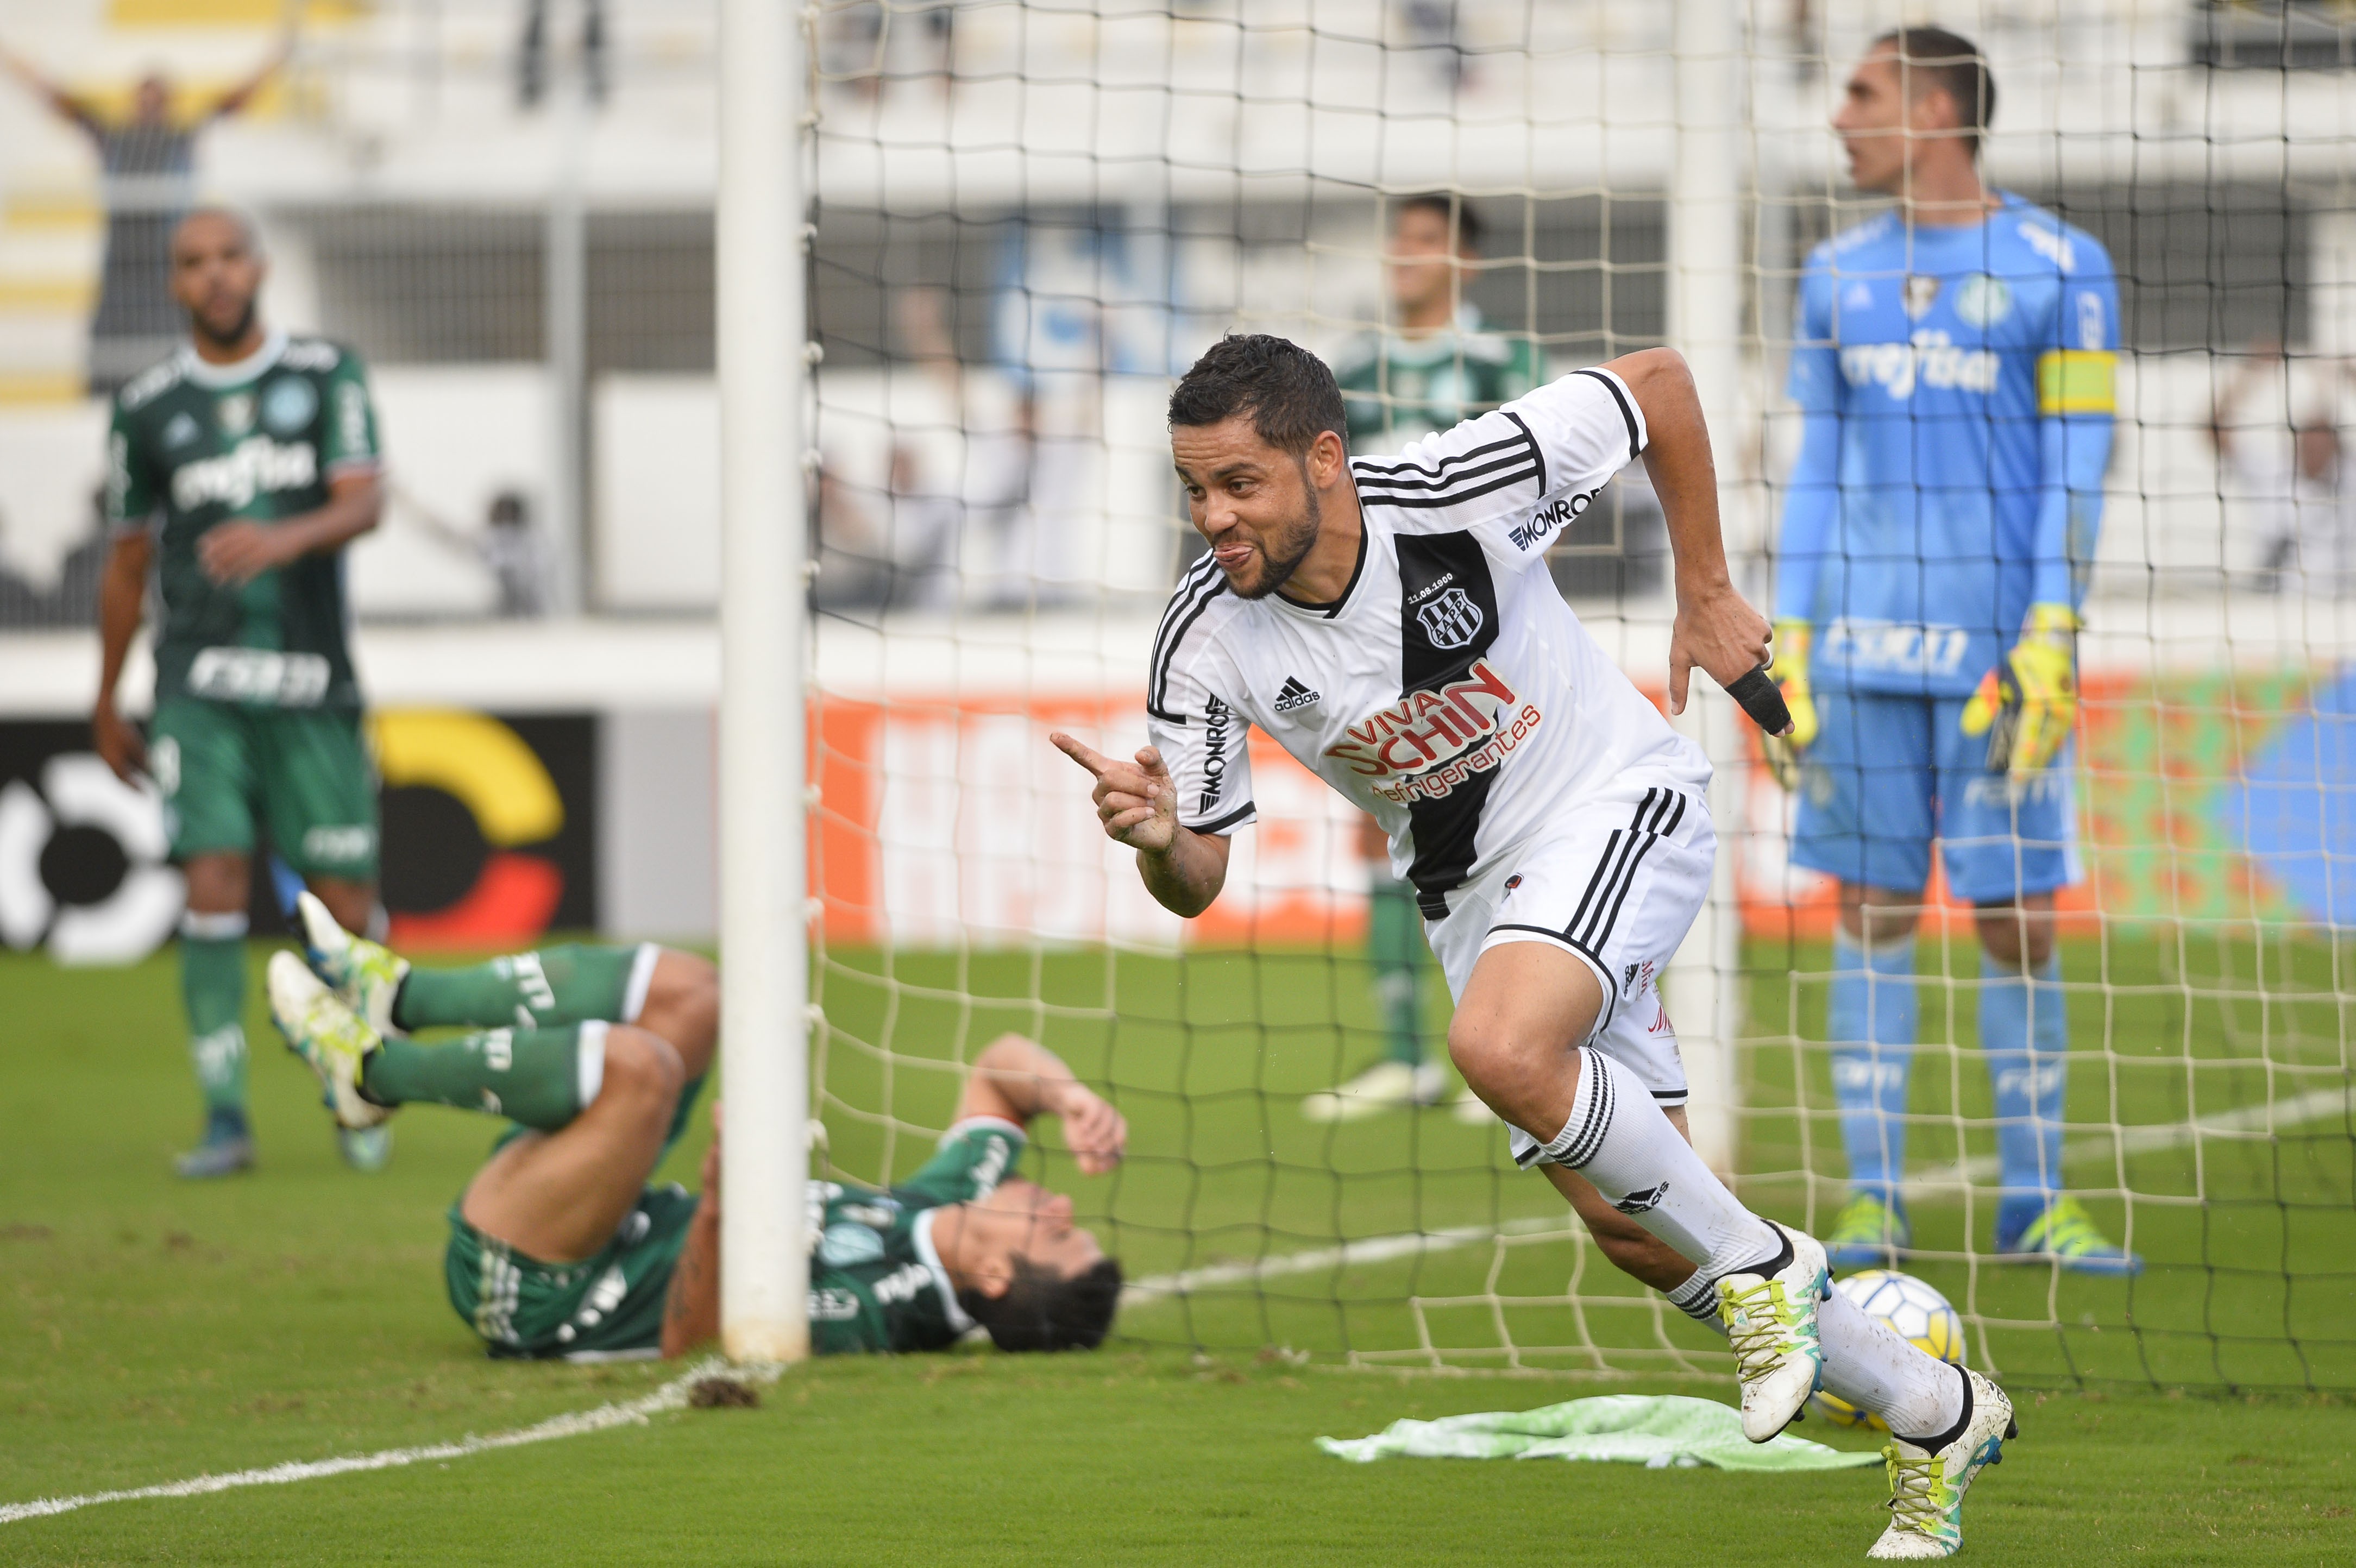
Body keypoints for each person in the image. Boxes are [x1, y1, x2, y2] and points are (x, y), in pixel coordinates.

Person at [1052, 333, 2015, 1558]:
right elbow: (1196, 884)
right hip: (1477, 905)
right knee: (1636, 1228)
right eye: (1192, 490)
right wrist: (1153, 836)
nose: (1212, 517)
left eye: (1239, 484)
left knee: (1497, 1049)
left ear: (1324, 461)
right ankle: (1933, 1414)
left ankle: (1768, 1264)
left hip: (1612, 802)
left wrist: (1704, 589)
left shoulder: (1456, 490)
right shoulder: (1202, 642)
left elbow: (1661, 382)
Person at [1766, 27, 2137, 1277]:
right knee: (1867, 910)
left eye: (1859, 95)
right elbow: (1816, 462)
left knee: (2017, 920)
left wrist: (2053, 626)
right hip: (1858, 657)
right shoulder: (1832, 273)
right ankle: (1872, 1199)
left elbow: (2079, 465)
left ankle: (2033, 1197)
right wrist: (1791, 635)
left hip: (1996, 663)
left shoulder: (2061, 264)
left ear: (1931, 109)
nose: (1839, 118)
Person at [269, 895, 1128, 1361]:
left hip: (542, 1282)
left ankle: (371, 1071)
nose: (1060, 1208)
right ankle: (405, 995)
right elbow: (1000, 1066)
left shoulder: (877, 1311)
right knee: (695, 995)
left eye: (1056, 1238)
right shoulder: (955, 1202)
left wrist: (722, 1202)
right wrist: (1071, 1095)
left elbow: (696, 1342)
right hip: (604, 1209)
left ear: (991, 1272)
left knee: (640, 1069)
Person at [91, 207, 387, 1179]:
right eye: (192, 264)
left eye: (228, 257)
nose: (214, 276)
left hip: (313, 685)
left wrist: (283, 537)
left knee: (344, 897)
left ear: (259, 266)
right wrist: (106, 698)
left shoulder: (326, 373)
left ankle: (359, 1089)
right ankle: (226, 1116)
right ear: (174, 285)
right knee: (211, 877)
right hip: (199, 690)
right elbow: (128, 562)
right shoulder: (145, 406)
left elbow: (365, 499)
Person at [1308, 193, 1544, 1123]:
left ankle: (1512, 1039)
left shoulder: (1505, 364)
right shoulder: (1347, 375)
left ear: (1465, 262)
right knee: (1376, 827)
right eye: (1396, 239)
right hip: (1365, 637)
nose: (1402, 256)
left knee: (1507, 826)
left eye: (1424, 241)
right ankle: (1405, 1059)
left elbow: (1544, 486)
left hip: (1481, 626)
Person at [0, 33, 292, 394]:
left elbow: (233, 102)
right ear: (135, 103)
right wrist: (13, 59)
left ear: (169, 104)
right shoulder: (114, 139)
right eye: (145, 97)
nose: (150, 105)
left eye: (159, 98)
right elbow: (63, 102)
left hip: (165, 274)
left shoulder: (181, 139)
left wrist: (277, 59)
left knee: (175, 363)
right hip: (122, 273)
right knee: (111, 365)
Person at [2208, 341, 2354, 594]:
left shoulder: (2349, 476)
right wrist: (2252, 373)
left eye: (2323, 437)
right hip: (2278, 605)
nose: (2314, 446)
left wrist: (2349, 377)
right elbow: (2214, 431)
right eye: (2308, 436)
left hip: (2344, 604)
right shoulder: (2272, 471)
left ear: (2336, 444)